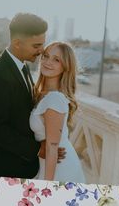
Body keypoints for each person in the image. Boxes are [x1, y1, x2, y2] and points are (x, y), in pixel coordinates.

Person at [0, 13, 65, 179]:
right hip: (3, 168)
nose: (41, 51)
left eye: (42, 44)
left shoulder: (22, 66)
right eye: (36, 46)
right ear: (17, 43)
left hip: (22, 165)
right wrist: (39, 149)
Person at [29, 42, 86, 184]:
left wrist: (47, 186)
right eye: (46, 56)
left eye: (56, 59)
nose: (48, 62)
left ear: (65, 67)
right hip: (48, 162)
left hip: (59, 168)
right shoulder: (42, 94)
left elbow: (52, 147)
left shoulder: (54, 98)